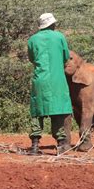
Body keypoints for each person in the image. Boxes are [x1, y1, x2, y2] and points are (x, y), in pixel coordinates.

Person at [27, 13, 73, 155]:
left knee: (37, 111)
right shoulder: (59, 37)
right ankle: (60, 145)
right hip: (57, 78)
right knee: (58, 109)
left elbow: (32, 58)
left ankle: (35, 146)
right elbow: (66, 57)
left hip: (40, 79)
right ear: (52, 25)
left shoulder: (32, 39)